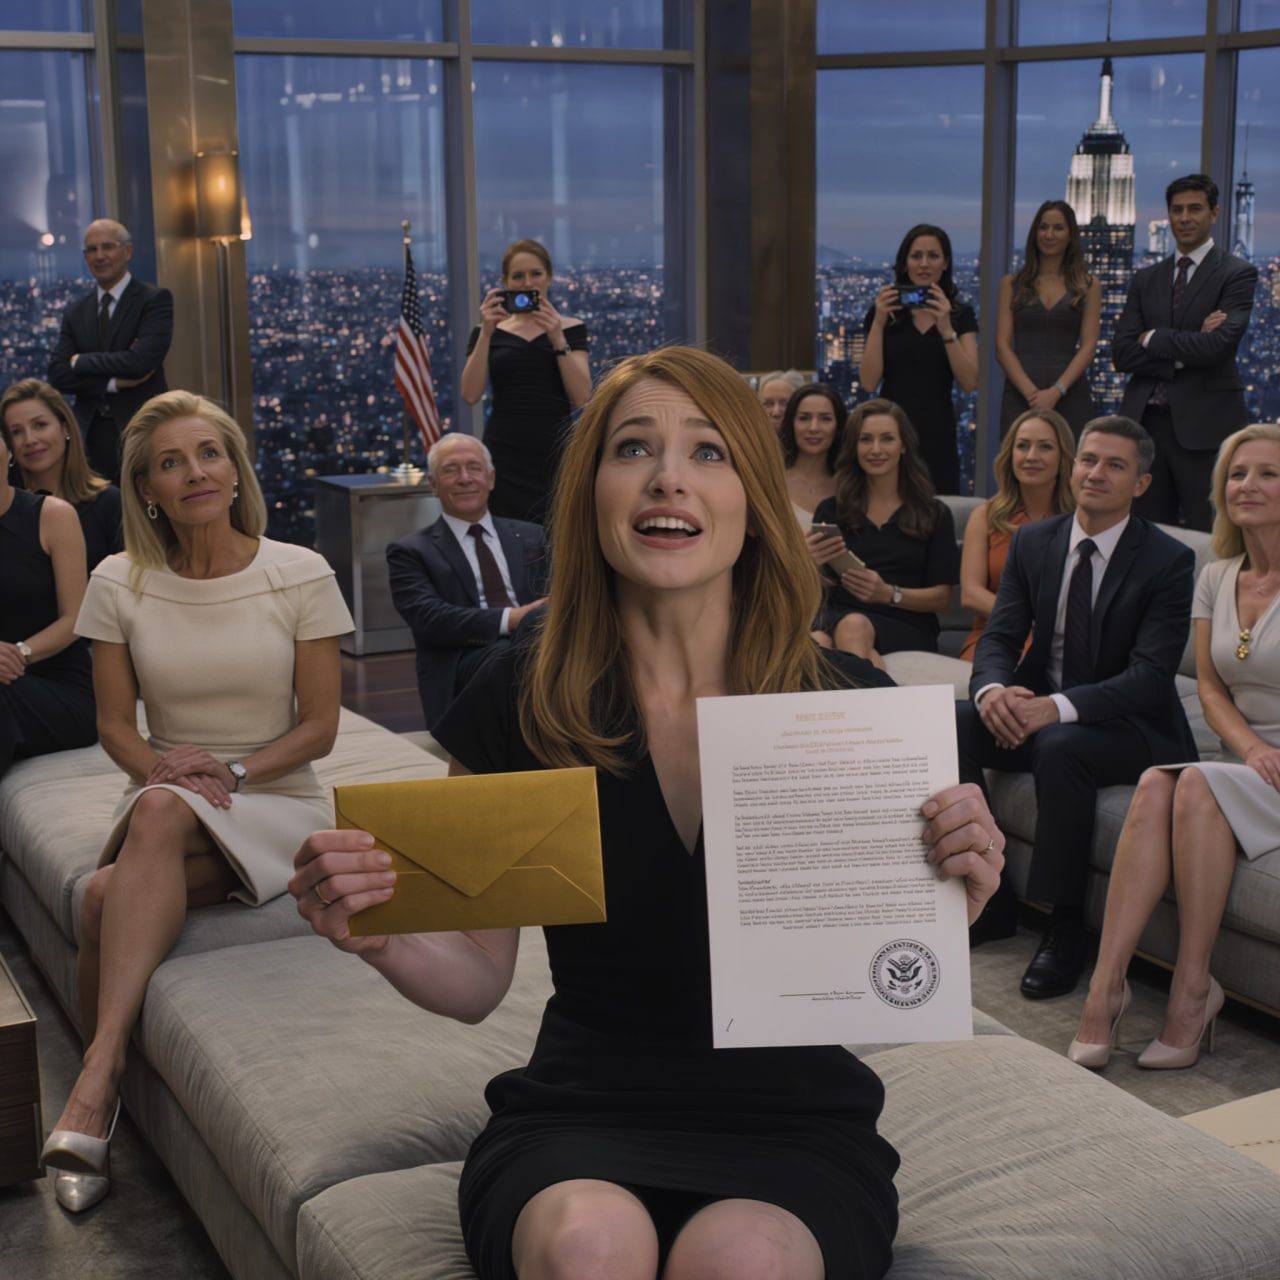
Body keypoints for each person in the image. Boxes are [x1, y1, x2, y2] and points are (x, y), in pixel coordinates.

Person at [289, 346, 1006, 1280]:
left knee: (740, 1263)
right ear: (591, 495)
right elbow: (475, 980)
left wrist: (953, 901)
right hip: (580, 1107)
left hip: (792, 1119)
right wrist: (381, 936)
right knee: (591, 1250)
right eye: (633, 448)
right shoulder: (518, 695)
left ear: (754, 501)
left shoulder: (845, 708)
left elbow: (889, 972)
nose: (669, 477)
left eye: (709, 451)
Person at [39, 391, 353, 1214]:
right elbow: (115, 727)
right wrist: (169, 774)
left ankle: (94, 1085)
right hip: (167, 796)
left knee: (108, 892)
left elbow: (319, 727)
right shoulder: (119, 580)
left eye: (209, 454)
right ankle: (104, 1081)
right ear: (147, 489)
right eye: (170, 463)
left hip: (276, 799)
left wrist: (235, 774)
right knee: (128, 854)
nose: (195, 473)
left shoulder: (299, 571)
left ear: (235, 468)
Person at [957, 415, 1197, 995]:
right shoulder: (1035, 541)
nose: (1096, 473)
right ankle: (991, 899)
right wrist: (993, 691)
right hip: (1045, 712)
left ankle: (1066, 925)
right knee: (948, 724)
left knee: (1062, 746)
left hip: (1134, 729)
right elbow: (1000, 636)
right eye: (1089, 460)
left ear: (1140, 483)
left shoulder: (1168, 559)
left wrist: (1055, 708)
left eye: (1115, 465)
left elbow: (1149, 677)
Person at [1069, 423, 1280, 1071]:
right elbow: (1210, 689)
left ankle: (1191, 990)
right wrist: (1249, 750)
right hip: (1248, 761)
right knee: (1160, 781)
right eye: (1237, 473)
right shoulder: (1216, 575)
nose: (1248, 485)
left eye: (1268, 473)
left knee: (1192, 782)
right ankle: (1106, 987)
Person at [1113, 174, 1258, 531]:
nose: (1185, 218)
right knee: (1146, 536)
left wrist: (1153, 337)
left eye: (1195, 209)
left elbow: (1216, 347)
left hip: (1206, 426)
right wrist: (1188, 346)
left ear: (1214, 213)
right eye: (1177, 210)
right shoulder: (1146, 278)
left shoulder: (1237, 273)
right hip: (1145, 425)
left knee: (1211, 535)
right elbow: (1123, 354)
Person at [387, 433, 548, 732]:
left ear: (491, 478)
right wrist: (513, 619)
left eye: (474, 467)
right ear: (433, 484)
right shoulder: (410, 551)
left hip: (539, 645)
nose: (464, 478)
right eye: (451, 470)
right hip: (465, 658)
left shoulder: (532, 536)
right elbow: (431, 619)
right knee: (510, 658)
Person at [810, 399, 958, 662]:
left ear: (903, 446)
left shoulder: (934, 513)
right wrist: (809, 563)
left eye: (887, 439)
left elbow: (942, 599)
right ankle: (872, 675)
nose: (875, 449)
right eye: (866, 439)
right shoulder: (831, 510)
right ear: (854, 447)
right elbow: (815, 589)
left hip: (905, 619)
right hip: (838, 613)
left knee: (853, 627)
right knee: (820, 639)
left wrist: (889, 593)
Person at [460, 238, 592, 524]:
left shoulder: (571, 328)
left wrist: (557, 337)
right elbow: (469, 394)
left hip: (556, 450)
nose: (527, 283)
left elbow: (582, 396)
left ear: (549, 278)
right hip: (504, 452)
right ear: (505, 283)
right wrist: (486, 333)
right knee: (506, 533)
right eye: (518, 276)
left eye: (536, 274)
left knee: (558, 530)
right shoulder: (488, 332)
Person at [46, 219, 173, 484]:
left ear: (128, 251)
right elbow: (58, 374)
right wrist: (113, 383)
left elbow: (139, 363)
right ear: (85, 257)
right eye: (92, 250)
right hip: (89, 436)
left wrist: (80, 361)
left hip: (142, 429)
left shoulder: (153, 300)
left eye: (108, 247)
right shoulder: (75, 311)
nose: (100, 256)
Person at [0, 426, 95, 778]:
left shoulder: (53, 515)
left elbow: (76, 618)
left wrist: (17, 654)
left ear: (9, 452)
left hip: (60, 690)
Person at [859, 224, 979, 495]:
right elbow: (868, 382)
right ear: (904, 263)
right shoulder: (884, 314)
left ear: (945, 263)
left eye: (933, 256)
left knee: (938, 504)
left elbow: (970, 381)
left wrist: (946, 328)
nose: (924, 264)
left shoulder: (960, 314)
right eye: (916, 256)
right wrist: (878, 322)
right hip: (890, 431)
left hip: (939, 429)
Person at [959, 409, 1075, 662]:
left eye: (1045, 447)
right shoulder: (985, 515)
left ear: (1063, 457)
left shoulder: (1079, 519)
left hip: (1061, 641)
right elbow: (970, 594)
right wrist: (1027, 623)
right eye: (1022, 446)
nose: (1031, 456)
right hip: (996, 634)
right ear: (1010, 455)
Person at [996, 200, 1100, 437]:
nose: (1049, 234)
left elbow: (1088, 347)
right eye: (1043, 227)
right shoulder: (1011, 284)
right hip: (1020, 394)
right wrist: (1033, 395)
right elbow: (1002, 347)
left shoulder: (1089, 285)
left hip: (1070, 394)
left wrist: (1056, 391)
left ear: (1070, 235)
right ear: (1035, 233)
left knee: (1070, 458)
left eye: (1058, 228)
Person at [2, 378, 123, 570]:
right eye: (16, 432)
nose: (29, 439)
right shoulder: (6, 509)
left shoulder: (109, 503)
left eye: (39, 425)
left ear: (65, 427)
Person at [778, 381, 844, 530]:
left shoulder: (850, 486)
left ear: (838, 425)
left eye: (825, 419)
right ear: (791, 423)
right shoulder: (773, 481)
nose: (814, 428)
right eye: (804, 418)